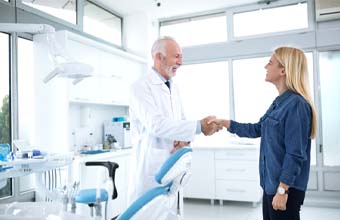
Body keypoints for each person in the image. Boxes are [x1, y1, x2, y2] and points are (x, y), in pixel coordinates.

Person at [211, 46, 317, 220]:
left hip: (285, 189)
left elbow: (295, 154)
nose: (265, 67)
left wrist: (283, 189)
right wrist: (225, 123)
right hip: (271, 185)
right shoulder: (279, 103)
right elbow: (256, 129)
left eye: (270, 63)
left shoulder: (296, 105)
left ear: (283, 70)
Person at [128, 36, 221, 217]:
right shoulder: (140, 87)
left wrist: (184, 139)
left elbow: (181, 119)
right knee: (147, 214)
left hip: (171, 166)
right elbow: (156, 124)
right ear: (158, 58)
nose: (181, 62)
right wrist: (198, 127)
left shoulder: (173, 87)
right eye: (176, 56)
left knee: (169, 212)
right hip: (151, 168)